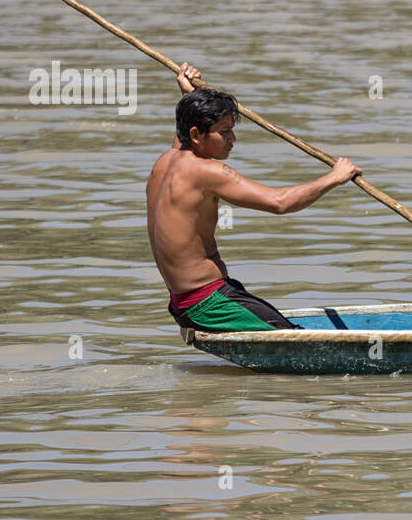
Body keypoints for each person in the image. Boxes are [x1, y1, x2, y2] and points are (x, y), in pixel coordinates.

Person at [146, 63, 360, 333]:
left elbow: (184, 133)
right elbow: (279, 202)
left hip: (186, 302)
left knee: (278, 323)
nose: (232, 139)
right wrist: (335, 177)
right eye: (224, 132)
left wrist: (189, 95)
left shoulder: (164, 162)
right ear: (196, 135)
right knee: (295, 340)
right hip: (209, 304)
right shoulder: (206, 171)